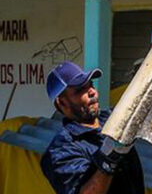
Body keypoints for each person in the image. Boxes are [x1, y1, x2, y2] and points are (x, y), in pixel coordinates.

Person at [41, 61, 144, 194]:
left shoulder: (112, 119)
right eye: (79, 90)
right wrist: (109, 159)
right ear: (62, 103)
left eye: (90, 85)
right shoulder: (61, 151)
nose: (92, 92)